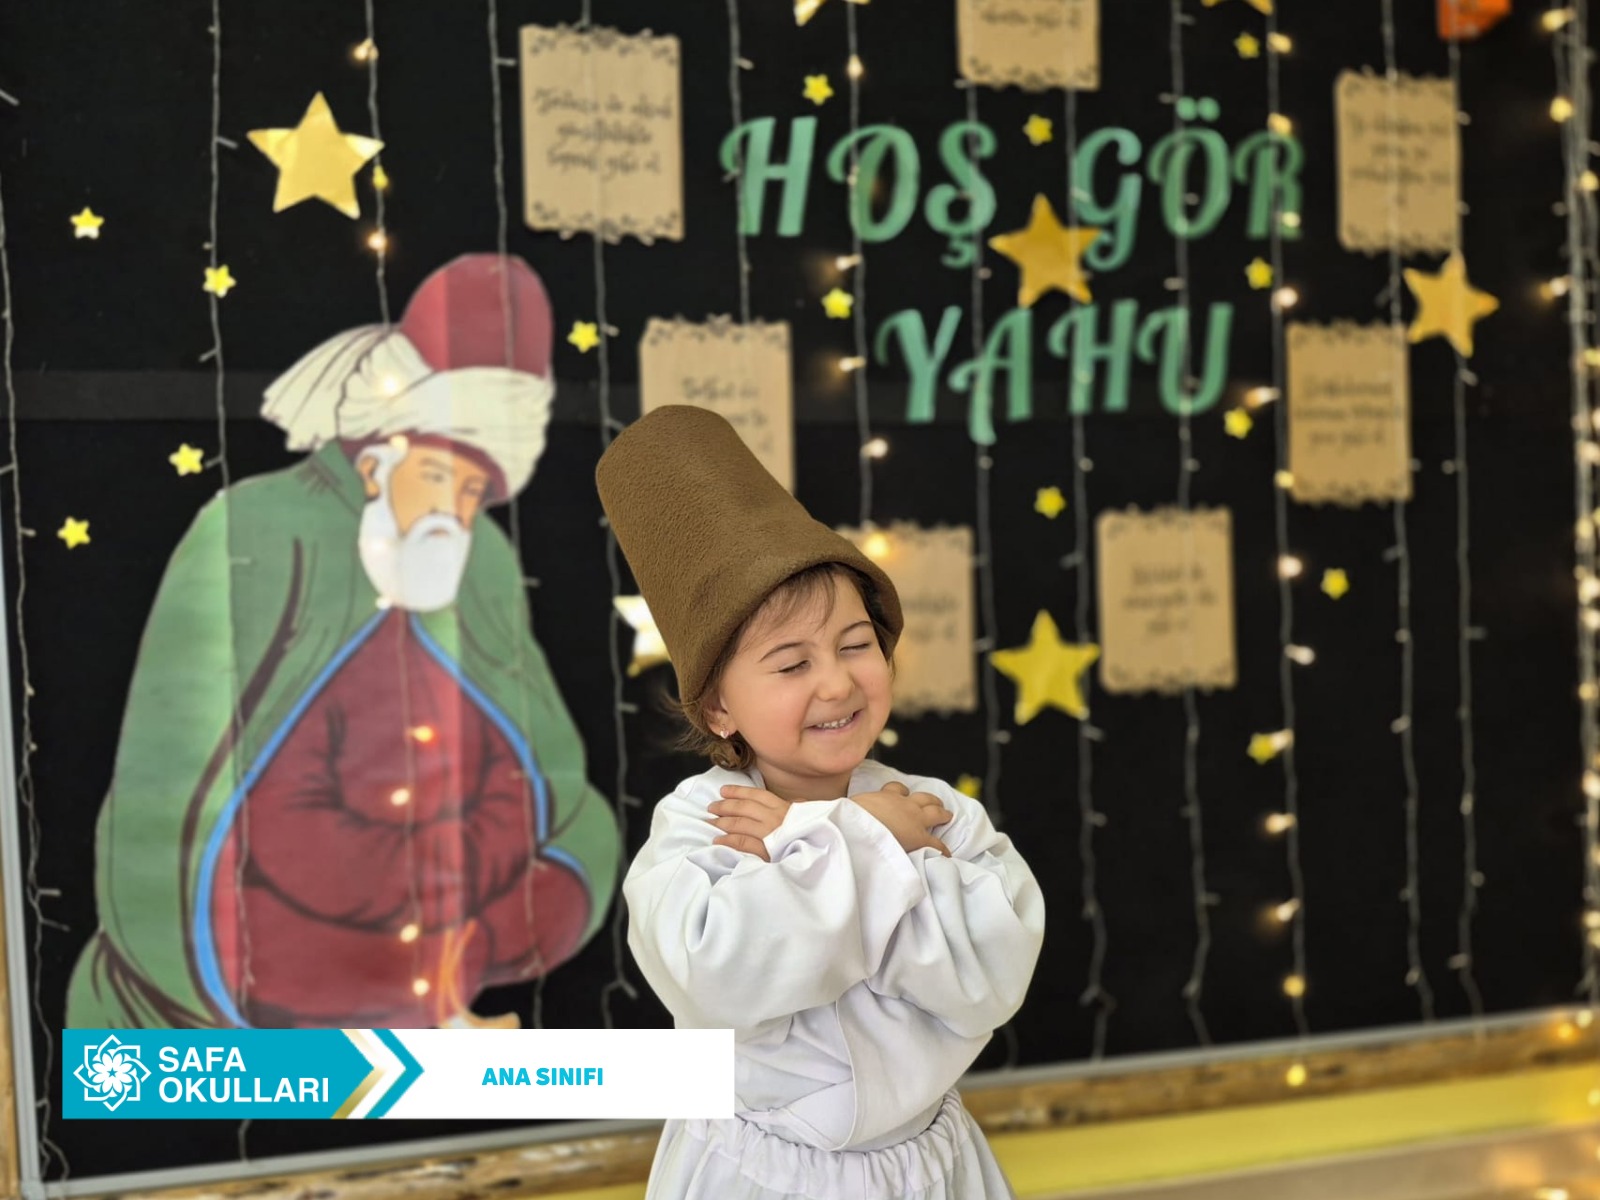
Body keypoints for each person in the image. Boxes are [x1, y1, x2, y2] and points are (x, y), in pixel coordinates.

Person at [67, 254, 619, 1030]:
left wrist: (469, 890)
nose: (455, 515)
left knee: (577, 859)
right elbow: (263, 817)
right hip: (288, 935)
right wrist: (434, 875)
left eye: (473, 492)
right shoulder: (260, 529)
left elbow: (529, 771)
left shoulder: (481, 560)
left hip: (450, 914)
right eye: (439, 479)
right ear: (376, 462)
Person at [596, 405, 1045, 1199]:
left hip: (928, 1165)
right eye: (791, 663)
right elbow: (726, 981)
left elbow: (990, 976)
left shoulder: (935, 809)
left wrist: (807, 852)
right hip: (760, 1172)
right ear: (719, 708)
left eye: (856, 644)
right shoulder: (702, 828)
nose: (836, 682)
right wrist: (861, 837)